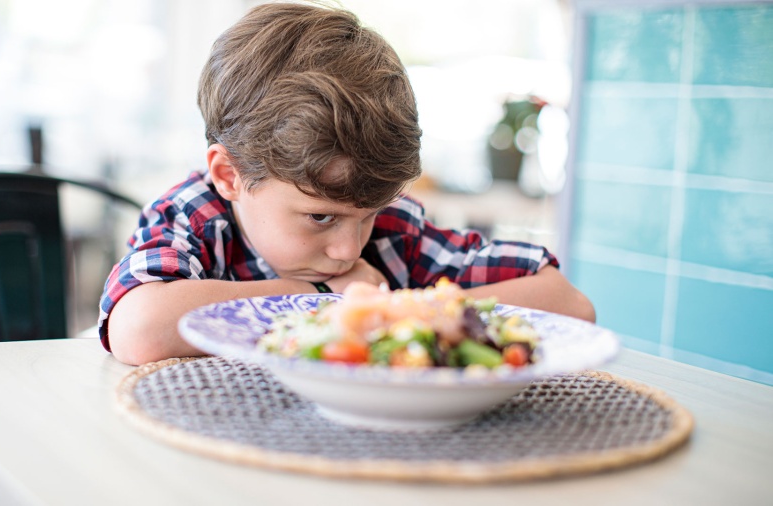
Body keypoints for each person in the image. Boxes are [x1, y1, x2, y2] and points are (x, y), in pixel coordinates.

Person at [99, 2, 594, 366]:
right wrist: (317, 297)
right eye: (321, 217)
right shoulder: (195, 216)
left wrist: (396, 310)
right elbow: (139, 329)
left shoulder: (392, 231)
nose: (347, 249)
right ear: (230, 175)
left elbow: (569, 305)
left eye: (367, 216)